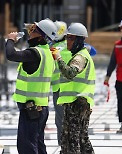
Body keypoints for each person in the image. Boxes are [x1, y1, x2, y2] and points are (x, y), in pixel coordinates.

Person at [5, 18, 57, 154]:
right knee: (38, 144)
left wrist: (10, 40)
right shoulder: (47, 53)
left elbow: (11, 54)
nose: (30, 32)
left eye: (33, 30)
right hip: (40, 108)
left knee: (27, 146)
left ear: (41, 36)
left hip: (31, 110)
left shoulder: (35, 53)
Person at [53, 22, 95, 154]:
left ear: (78, 40)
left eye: (71, 38)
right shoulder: (80, 55)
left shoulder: (80, 57)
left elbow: (70, 73)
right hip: (79, 103)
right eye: (67, 38)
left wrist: (58, 58)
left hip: (77, 104)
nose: (67, 42)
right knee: (82, 139)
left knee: (72, 139)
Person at [51, 21, 72, 146]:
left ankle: (62, 144)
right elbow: (93, 51)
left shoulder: (52, 48)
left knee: (60, 119)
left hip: (58, 89)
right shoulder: (71, 45)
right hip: (71, 87)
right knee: (72, 118)